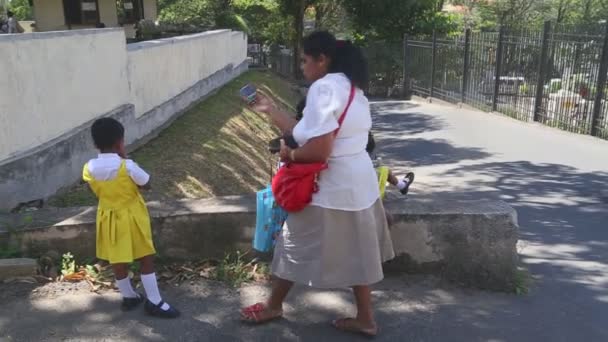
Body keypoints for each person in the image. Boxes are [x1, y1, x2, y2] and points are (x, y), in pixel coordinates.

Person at [241, 31, 395, 337]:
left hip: (330, 187)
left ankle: (273, 305)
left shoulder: (324, 88)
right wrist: (271, 110)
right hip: (359, 185)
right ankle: (366, 318)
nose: (302, 66)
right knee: (358, 252)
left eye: (304, 59)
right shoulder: (351, 87)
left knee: (291, 243)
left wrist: (289, 153)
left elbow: (319, 150)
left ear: (322, 60)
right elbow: (308, 131)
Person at [83, 118, 180, 319]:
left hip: (108, 217)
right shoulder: (127, 166)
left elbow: (92, 188)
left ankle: (129, 296)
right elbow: (147, 184)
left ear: (95, 144)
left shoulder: (89, 167)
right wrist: (125, 158)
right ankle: (154, 301)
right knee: (145, 257)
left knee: (117, 258)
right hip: (132, 216)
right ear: (120, 141)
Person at [296, 97, 415, 195]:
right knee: (382, 171)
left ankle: (401, 185)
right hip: (344, 187)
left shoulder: (303, 133)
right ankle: (401, 185)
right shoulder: (337, 128)